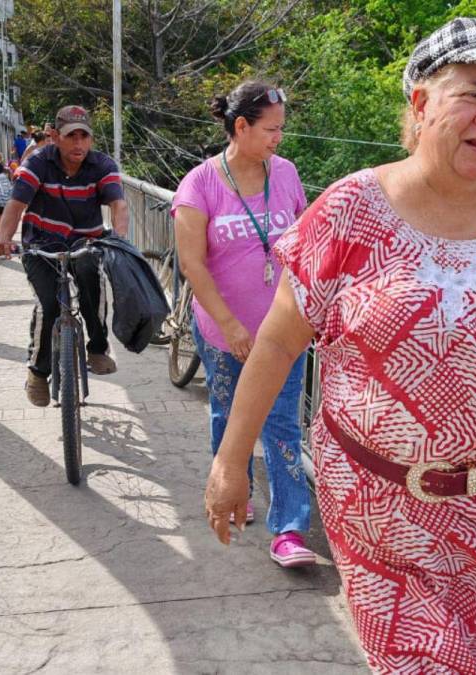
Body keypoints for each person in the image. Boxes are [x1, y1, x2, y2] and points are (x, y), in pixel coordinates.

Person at [204, 17, 476, 673]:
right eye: (472, 92)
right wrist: (230, 462)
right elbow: (275, 343)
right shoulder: (353, 208)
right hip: (376, 503)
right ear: (421, 104)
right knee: (429, 662)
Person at [173, 81, 316, 568]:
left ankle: (291, 527)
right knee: (228, 414)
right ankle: (236, 489)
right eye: (271, 129)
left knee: (281, 425)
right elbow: (192, 264)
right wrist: (231, 325)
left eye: (282, 128)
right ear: (241, 127)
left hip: (284, 332)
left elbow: (306, 245)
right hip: (222, 332)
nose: (280, 137)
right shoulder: (200, 184)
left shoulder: (288, 174)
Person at [0, 105, 130, 405]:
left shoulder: (102, 165)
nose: (78, 144)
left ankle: (97, 348)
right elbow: (15, 205)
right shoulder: (39, 162)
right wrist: (3, 239)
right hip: (41, 244)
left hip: (85, 241)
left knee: (93, 284)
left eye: (84, 137)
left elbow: (118, 205)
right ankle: (38, 373)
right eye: (71, 136)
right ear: (54, 136)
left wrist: (119, 239)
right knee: (49, 306)